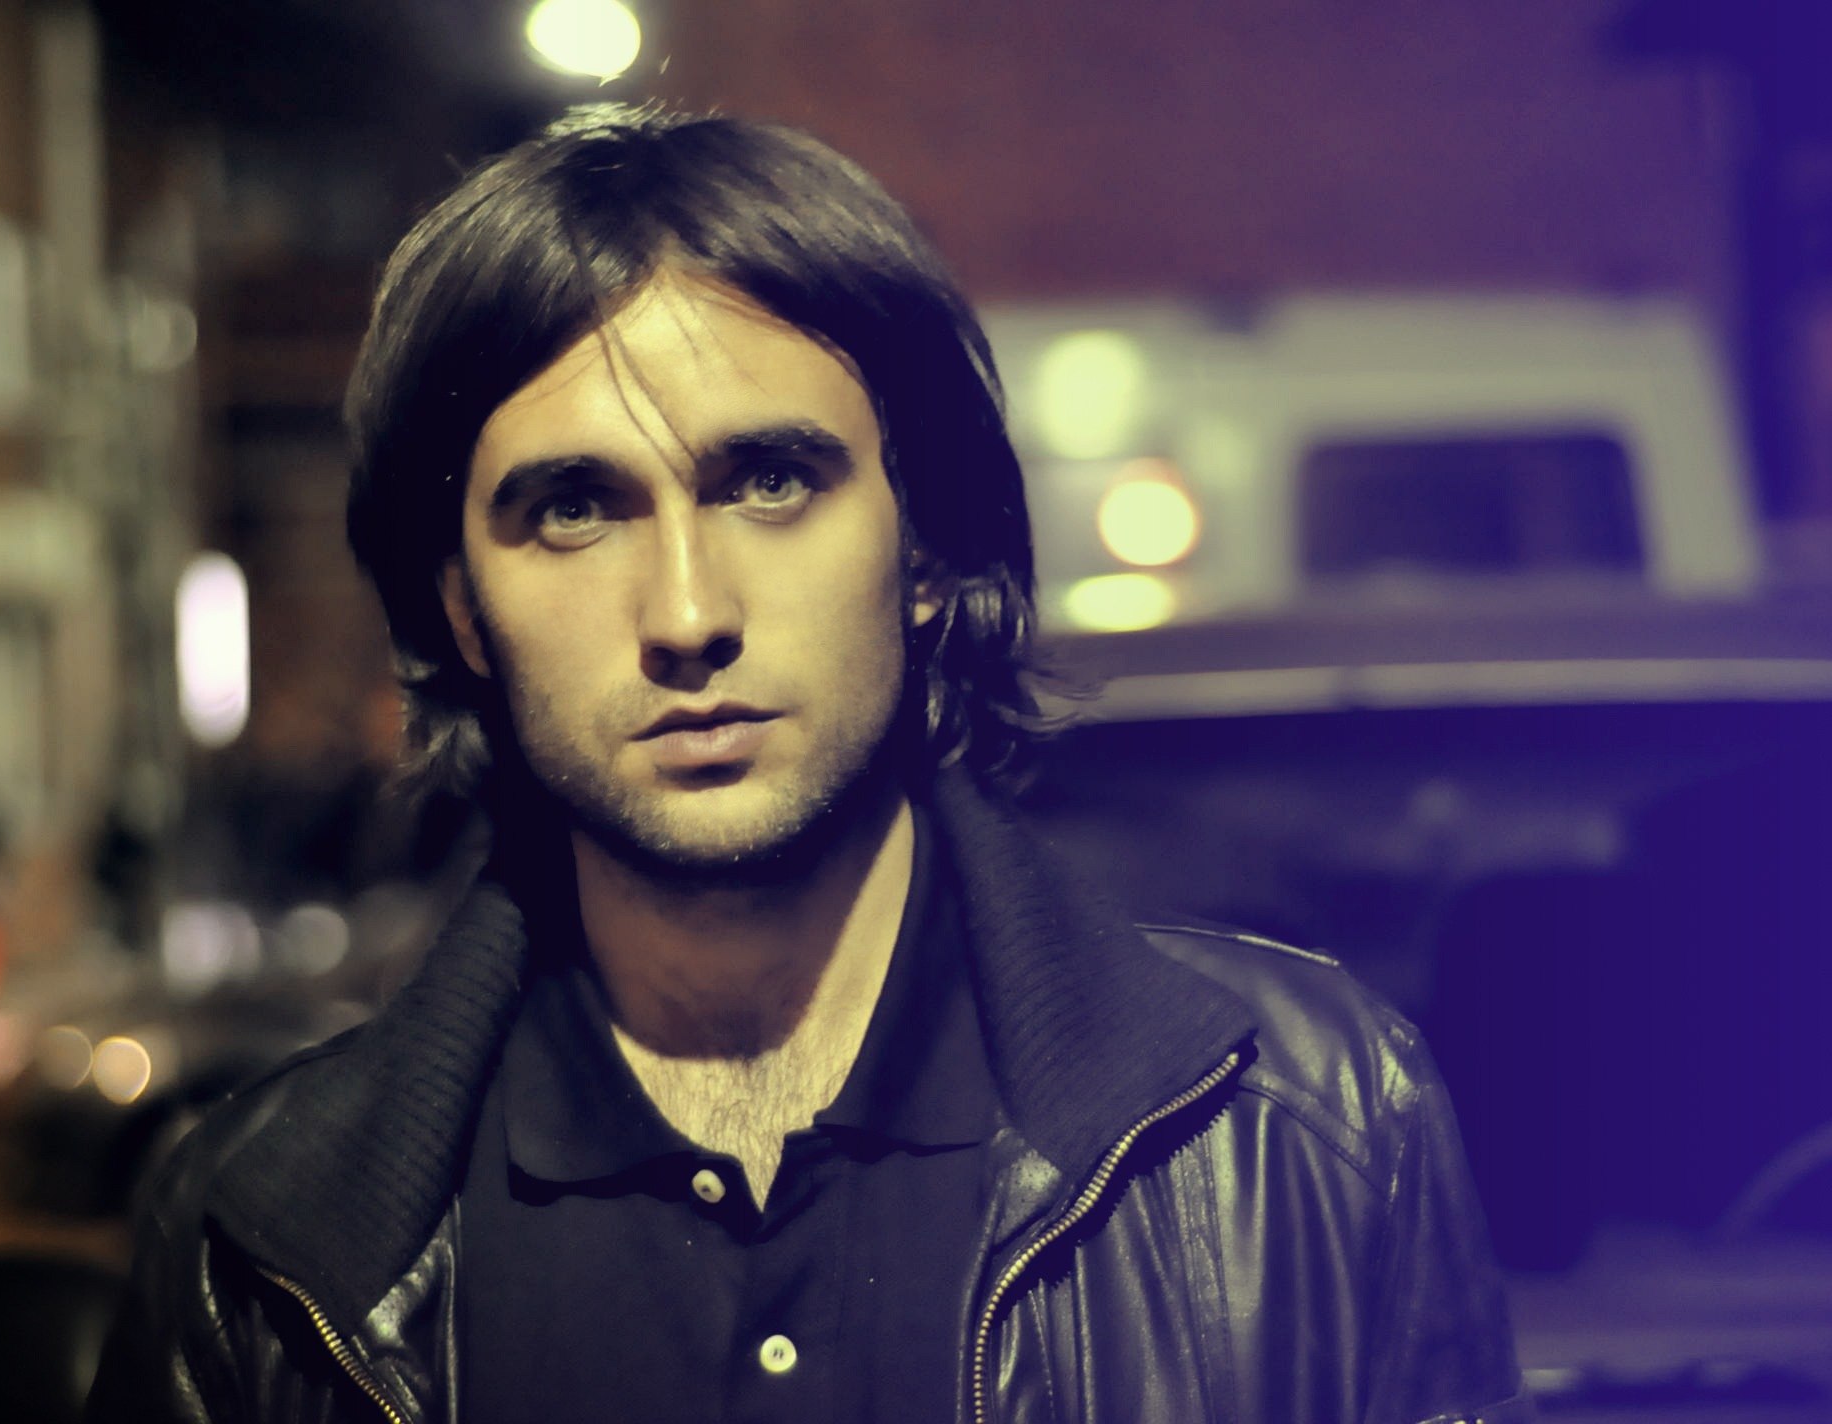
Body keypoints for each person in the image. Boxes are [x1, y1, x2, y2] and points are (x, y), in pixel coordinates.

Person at [86, 104, 1528, 1424]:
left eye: (770, 482)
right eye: (576, 509)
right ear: (461, 609)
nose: (687, 614)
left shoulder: (1311, 1131)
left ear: (925, 549)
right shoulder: (256, 1247)